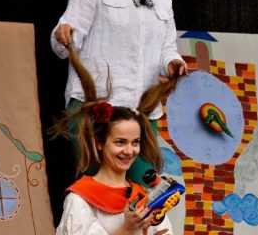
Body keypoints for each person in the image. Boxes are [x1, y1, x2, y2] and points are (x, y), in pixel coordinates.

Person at [51, 0, 186, 185]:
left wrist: (173, 63)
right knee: (100, 191)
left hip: (141, 112)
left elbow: (167, 48)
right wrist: (63, 35)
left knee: (143, 192)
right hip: (97, 108)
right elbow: (63, 43)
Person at [51, 45, 180, 234]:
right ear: (99, 142)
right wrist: (126, 229)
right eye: (120, 142)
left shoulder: (144, 197)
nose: (129, 151)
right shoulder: (81, 199)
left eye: (135, 142)